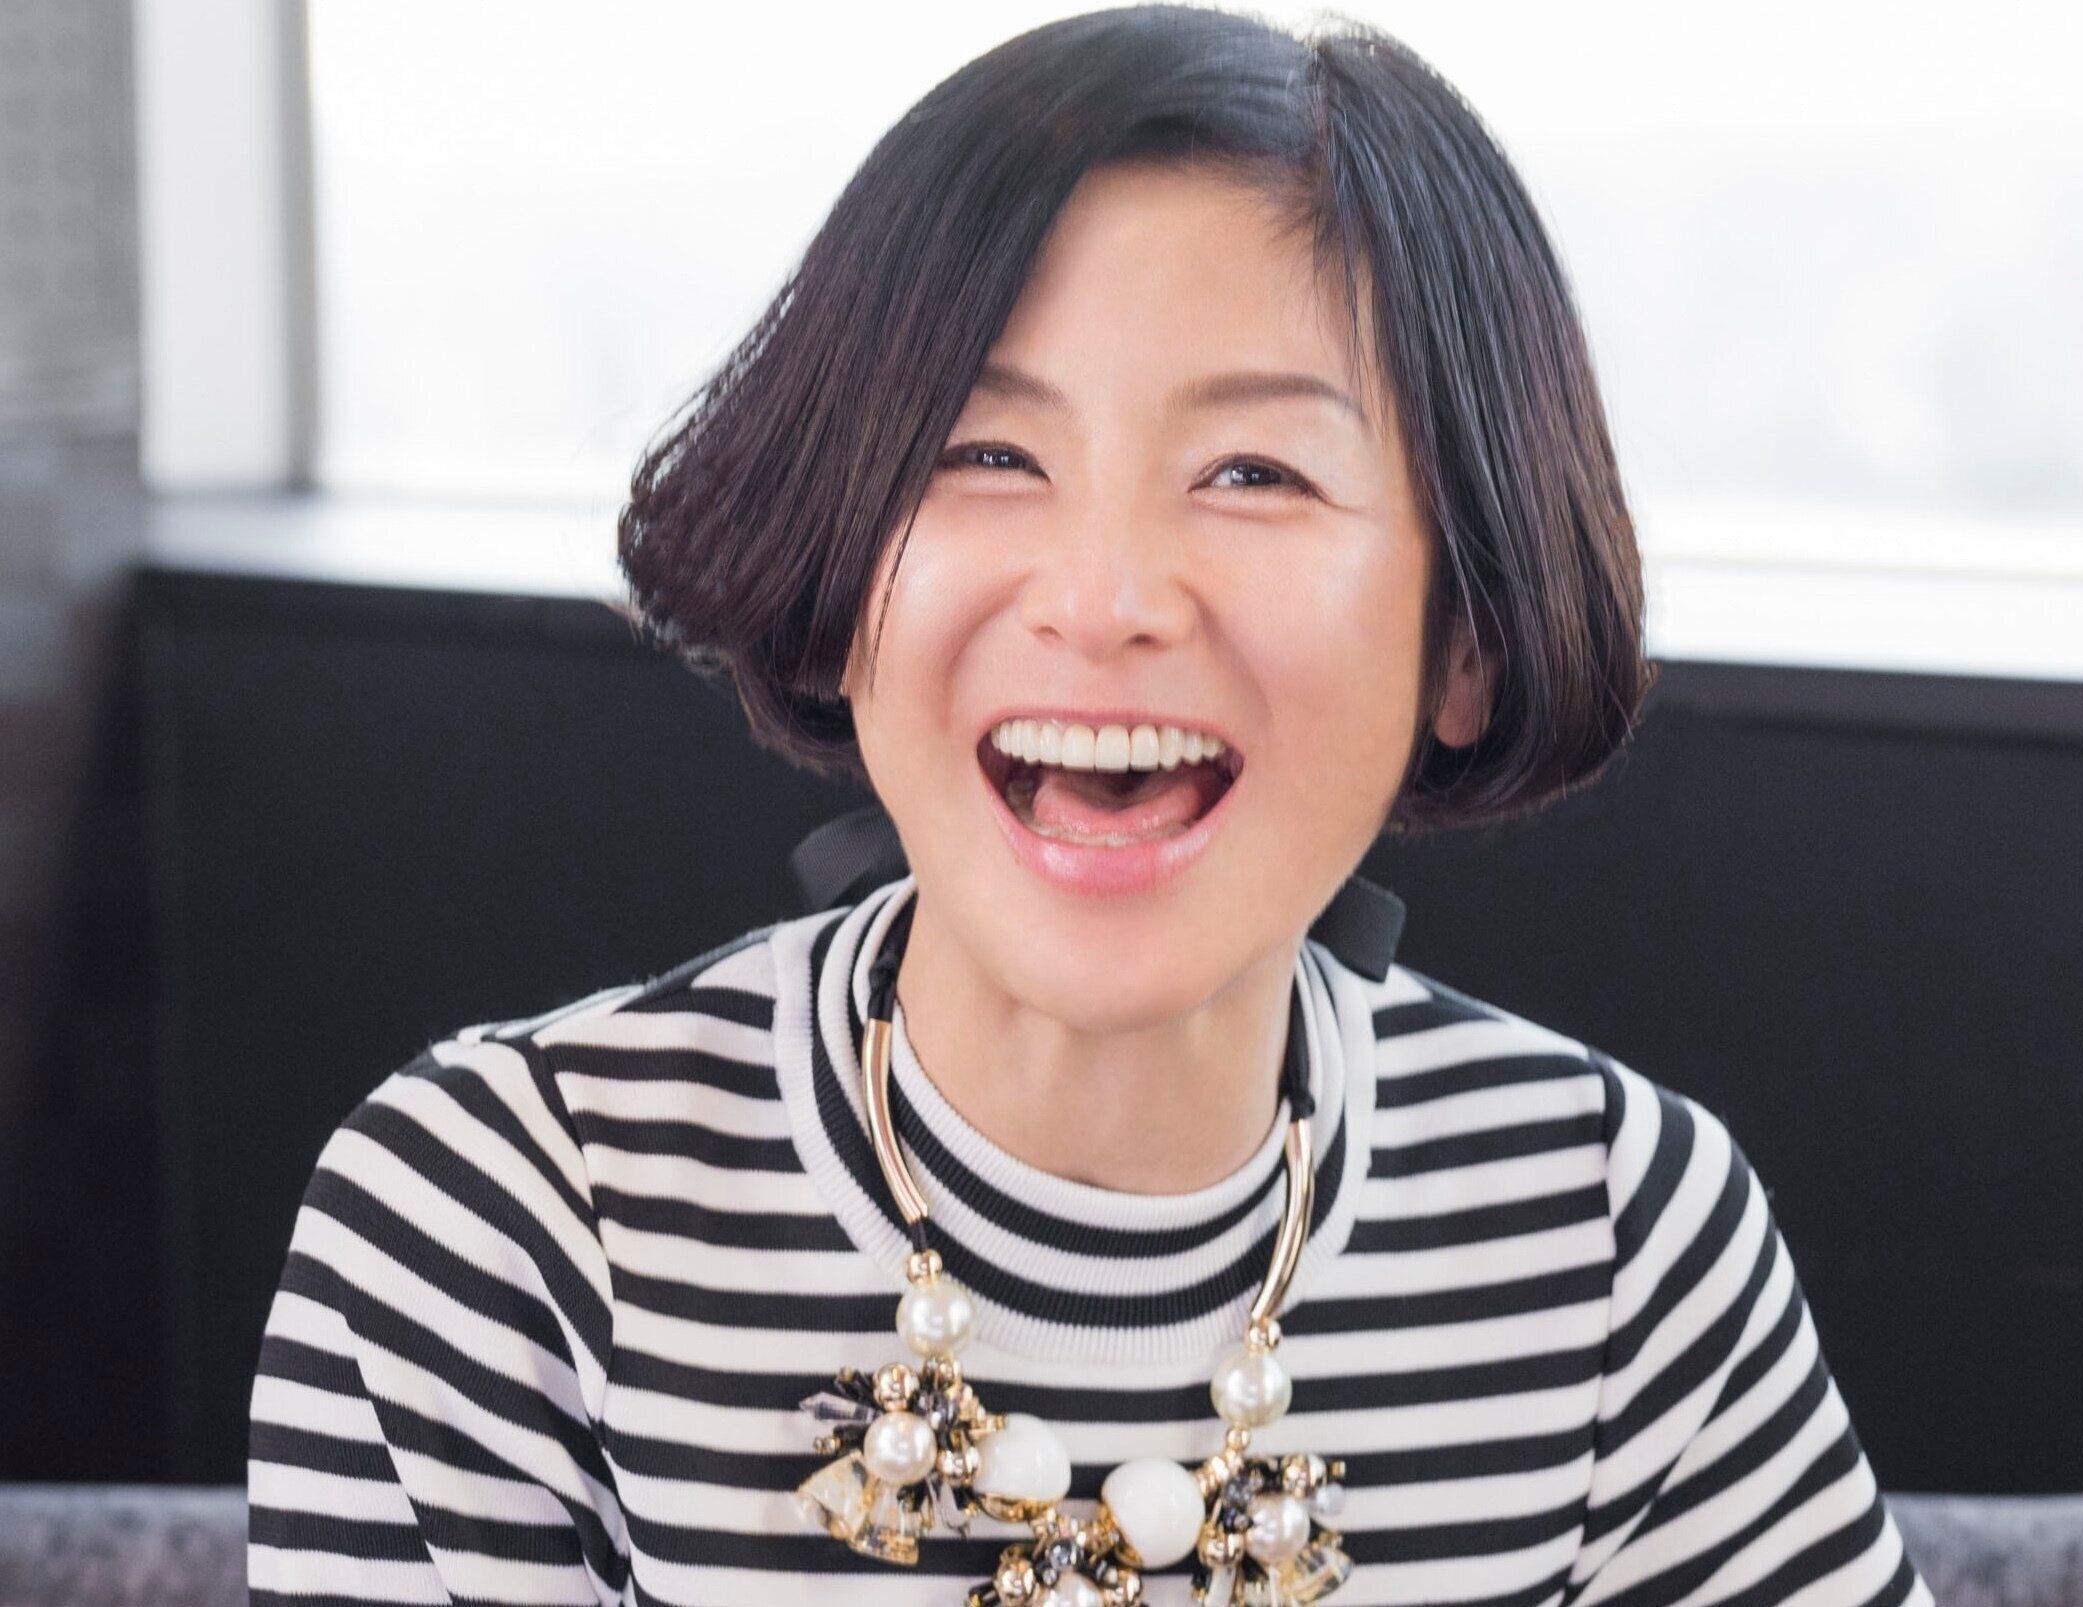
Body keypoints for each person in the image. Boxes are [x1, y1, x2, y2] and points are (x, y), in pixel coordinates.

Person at [244, 8, 1934, 1606]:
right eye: (984, 455)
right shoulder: (497, 1221)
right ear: (835, 571)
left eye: (1254, 473)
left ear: (1466, 639)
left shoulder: (1615, 1237)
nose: (1104, 598)